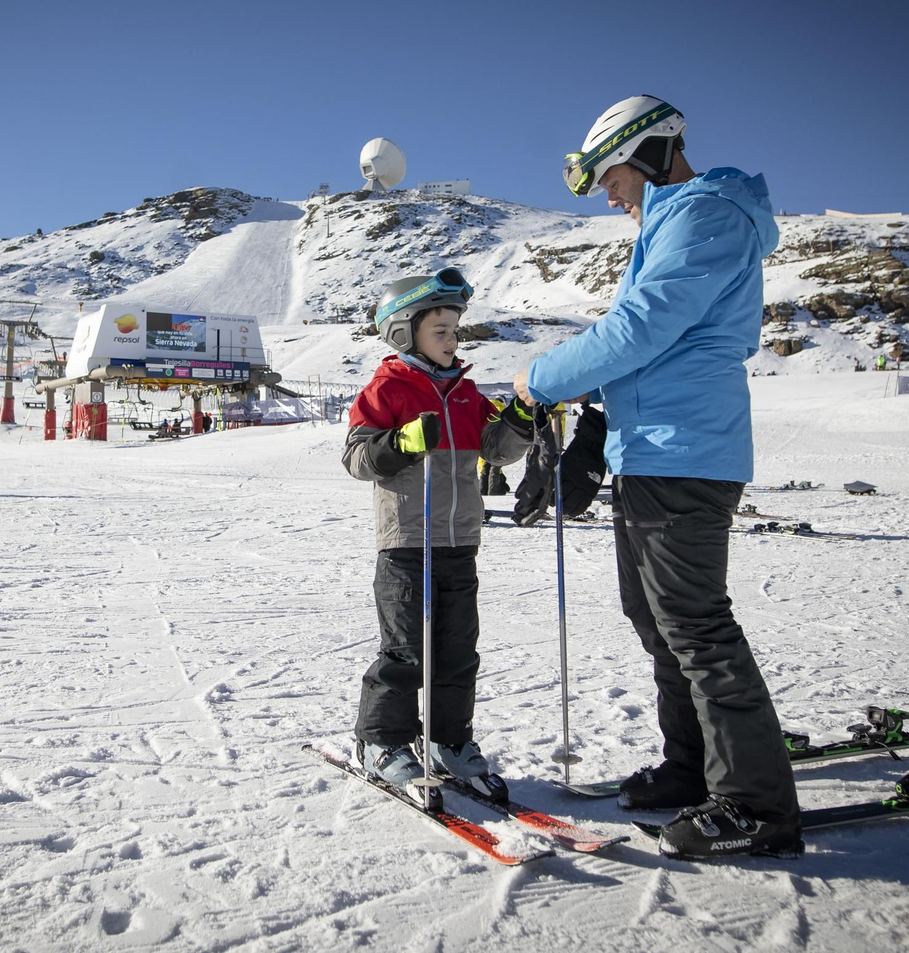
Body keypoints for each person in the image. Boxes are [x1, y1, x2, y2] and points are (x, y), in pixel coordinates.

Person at [514, 96, 802, 860]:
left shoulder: (706, 216)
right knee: (654, 620)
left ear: (648, 152)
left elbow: (639, 329)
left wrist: (539, 379)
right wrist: (594, 433)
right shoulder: (670, 222)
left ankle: (756, 806)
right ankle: (694, 767)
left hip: (687, 451)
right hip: (647, 453)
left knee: (697, 628)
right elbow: (642, 351)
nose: (611, 197)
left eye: (612, 179)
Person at [342, 267, 535, 799]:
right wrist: (401, 442)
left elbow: (498, 451)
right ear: (404, 333)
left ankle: (448, 740)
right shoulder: (387, 389)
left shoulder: (468, 395)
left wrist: (522, 417)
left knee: (457, 651)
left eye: (455, 330)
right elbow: (356, 458)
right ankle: (381, 742)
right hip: (407, 543)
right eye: (440, 330)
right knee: (407, 651)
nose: (452, 340)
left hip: (460, 543)